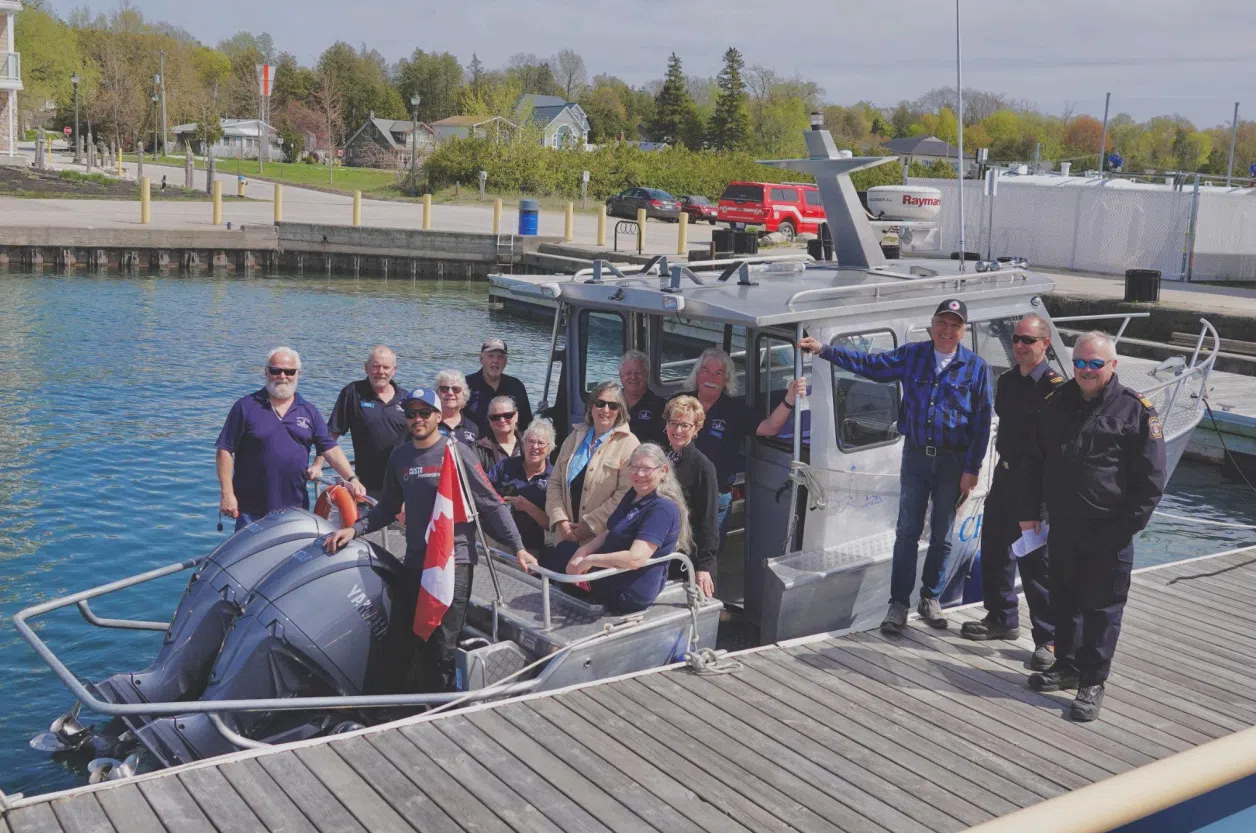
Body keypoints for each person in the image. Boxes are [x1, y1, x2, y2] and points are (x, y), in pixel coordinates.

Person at [801, 298, 993, 636]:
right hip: (917, 457)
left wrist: (972, 469)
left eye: (955, 325)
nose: (947, 331)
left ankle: (930, 598)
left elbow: (980, 423)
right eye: (942, 323)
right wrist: (825, 350)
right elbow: (872, 365)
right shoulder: (912, 355)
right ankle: (898, 604)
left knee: (943, 535)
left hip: (953, 462)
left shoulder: (975, 368)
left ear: (963, 331)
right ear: (933, 324)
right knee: (906, 531)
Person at [323, 387, 529, 694]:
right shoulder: (401, 456)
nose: (417, 419)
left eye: (423, 413)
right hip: (417, 560)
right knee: (405, 639)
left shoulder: (457, 453)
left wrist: (519, 547)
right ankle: (402, 703)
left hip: (453, 561)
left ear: (437, 416)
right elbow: (388, 508)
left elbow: (491, 503)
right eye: (410, 414)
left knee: (443, 645)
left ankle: (440, 708)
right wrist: (355, 529)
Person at [1020, 330, 1165, 722]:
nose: (1085, 370)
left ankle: (1093, 681)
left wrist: (1124, 529)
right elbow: (1035, 461)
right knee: (1065, 600)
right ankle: (1067, 665)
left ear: (1112, 365)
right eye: (1080, 362)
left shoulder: (1135, 410)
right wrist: (1030, 510)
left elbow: (1151, 481)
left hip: (1109, 531)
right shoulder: (1057, 403)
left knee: (1102, 609)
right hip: (1064, 527)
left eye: (1094, 363)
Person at [961, 315, 1060, 672]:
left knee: (1036, 565)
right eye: (1016, 339)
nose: (1019, 345)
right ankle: (1001, 617)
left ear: (1044, 344)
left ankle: (1048, 638)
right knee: (995, 549)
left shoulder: (1056, 389)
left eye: (1028, 340)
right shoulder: (1006, 381)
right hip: (1005, 478)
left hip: (1035, 487)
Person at [216, 347, 365, 531]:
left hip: (295, 510)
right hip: (251, 511)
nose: (282, 376)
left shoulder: (309, 411)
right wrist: (227, 493)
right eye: (275, 370)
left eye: (289, 371)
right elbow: (225, 450)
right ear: (266, 372)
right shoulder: (245, 407)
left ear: (298, 374)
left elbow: (330, 448)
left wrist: (352, 478)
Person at [676, 347, 806, 531]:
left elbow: (769, 427)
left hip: (716, 497)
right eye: (706, 371)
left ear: (726, 380)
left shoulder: (734, 410)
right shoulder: (678, 403)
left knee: (708, 556)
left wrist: (789, 399)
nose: (711, 378)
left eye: (718, 373)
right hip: (679, 495)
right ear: (697, 374)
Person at [557, 443, 691, 614]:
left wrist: (589, 561)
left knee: (558, 563)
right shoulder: (634, 494)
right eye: (634, 467)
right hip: (612, 572)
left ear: (663, 471)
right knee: (564, 551)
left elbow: (635, 558)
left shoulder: (662, 509)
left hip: (629, 588)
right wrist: (583, 551)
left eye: (646, 468)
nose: (639, 474)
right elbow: (612, 530)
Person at [543, 380, 641, 570]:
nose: (605, 409)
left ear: (620, 411)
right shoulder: (574, 437)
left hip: (599, 546)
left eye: (613, 405)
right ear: (591, 406)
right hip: (564, 538)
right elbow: (554, 482)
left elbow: (624, 496)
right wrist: (561, 521)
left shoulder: (630, 444)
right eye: (600, 403)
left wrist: (589, 525)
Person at [322, 345, 409, 498]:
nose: (380, 372)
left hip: (401, 485)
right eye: (375, 366)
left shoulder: (406, 398)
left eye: (386, 367)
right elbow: (330, 434)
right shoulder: (353, 392)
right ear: (366, 368)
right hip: (365, 486)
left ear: (394, 370)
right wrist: (317, 464)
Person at [662, 396, 720, 597]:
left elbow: (709, 520)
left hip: (690, 560)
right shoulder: (665, 459)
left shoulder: (703, 467)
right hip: (667, 552)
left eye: (685, 425)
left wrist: (704, 567)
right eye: (673, 423)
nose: (678, 431)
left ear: (696, 429)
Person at [489, 418, 555, 562]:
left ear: (549, 448)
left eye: (541, 443)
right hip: (496, 539)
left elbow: (551, 525)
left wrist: (529, 507)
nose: (535, 447)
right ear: (523, 444)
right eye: (530, 441)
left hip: (529, 546)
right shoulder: (505, 466)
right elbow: (484, 492)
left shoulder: (554, 478)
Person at [466, 338, 533, 436]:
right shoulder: (465, 385)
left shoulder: (516, 386)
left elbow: (526, 424)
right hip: (473, 446)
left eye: (500, 357)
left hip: (507, 447)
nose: (495, 361)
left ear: (506, 361)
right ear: (481, 359)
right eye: (491, 356)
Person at [620, 350, 665, 444]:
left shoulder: (660, 406)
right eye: (628, 373)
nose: (633, 377)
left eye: (638, 373)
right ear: (620, 375)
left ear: (647, 375)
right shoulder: (610, 401)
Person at [435, 369, 479, 448]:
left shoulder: (472, 428)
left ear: (464, 395)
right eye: (444, 389)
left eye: (456, 389)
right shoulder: (429, 423)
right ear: (437, 393)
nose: (450, 393)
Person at [476, 395, 522, 470]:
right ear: (489, 419)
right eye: (495, 417)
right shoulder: (478, 449)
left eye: (507, 415)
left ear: (516, 416)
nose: (502, 420)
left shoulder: (528, 444)